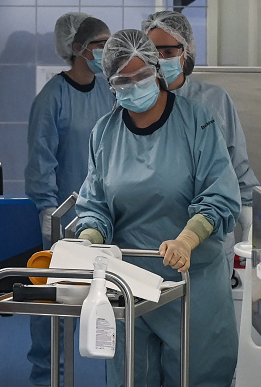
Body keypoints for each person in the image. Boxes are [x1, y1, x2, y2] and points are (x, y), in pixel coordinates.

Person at [75, 29, 241, 386]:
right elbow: (95, 204)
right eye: (124, 80)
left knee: (199, 376)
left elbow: (219, 194)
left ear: (157, 70)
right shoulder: (104, 133)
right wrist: (88, 240)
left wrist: (186, 240)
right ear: (110, 84)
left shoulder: (199, 122)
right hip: (128, 286)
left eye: (142, 76)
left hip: (192, 284)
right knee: (132, 378)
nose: (135, 86)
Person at [24, 12, 114, 386]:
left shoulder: (109, 90)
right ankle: (47, 378)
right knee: (54, 317)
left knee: (107, 311)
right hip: (61, 220)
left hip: (103, 219)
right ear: (78, 48)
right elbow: (40, 161)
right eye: (101, 45)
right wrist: (48, 213)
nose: (107, 53)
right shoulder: (51, 98)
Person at [142, 10, 259, 276]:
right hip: (147, 249)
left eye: (168, 51)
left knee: (206, 314)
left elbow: (236, 171)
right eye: (152, 52)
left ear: (187, 52)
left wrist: (252, 224)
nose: (160, 60)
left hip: (208, 249)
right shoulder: (132, 106)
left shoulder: (213, 102)